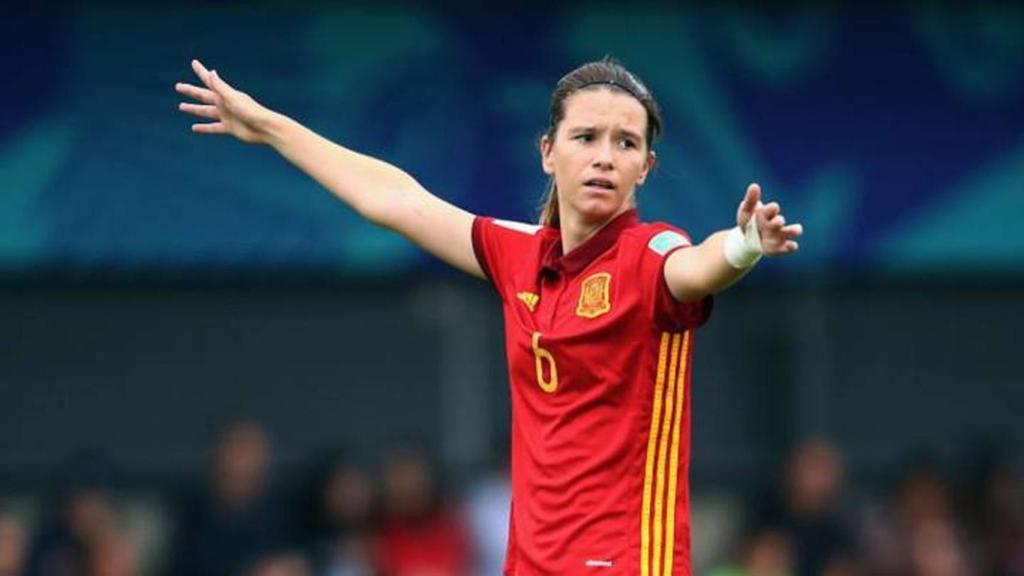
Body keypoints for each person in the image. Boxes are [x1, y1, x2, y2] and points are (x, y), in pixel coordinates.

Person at [175, 56, 803, 576]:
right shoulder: (518, 254)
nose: (605, 156)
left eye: (626, 143)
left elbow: (698, 266)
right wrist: (271, 128)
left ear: (646, 167)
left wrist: (745, 243)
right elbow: (395, 199)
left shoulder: (652, 251)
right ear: (547, 152)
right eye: (586, 137)